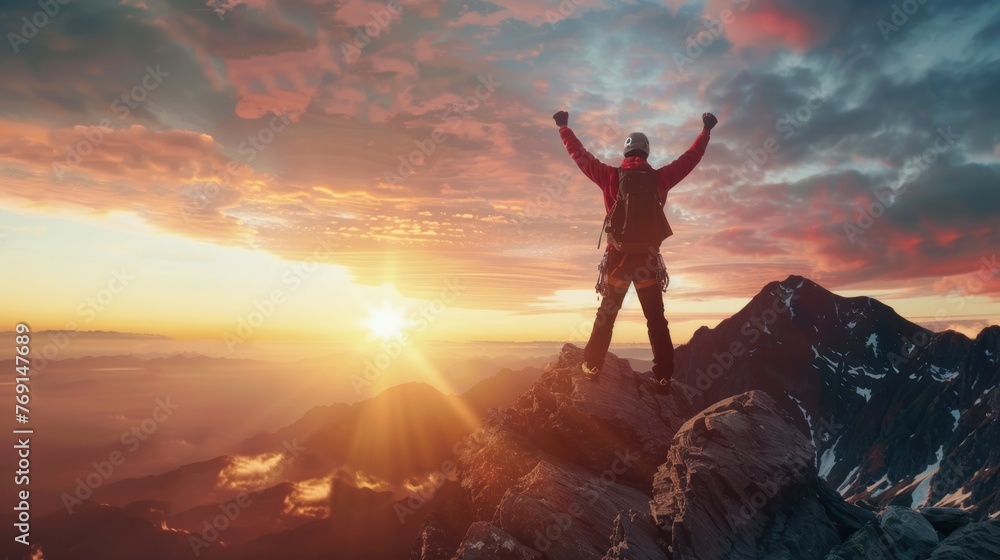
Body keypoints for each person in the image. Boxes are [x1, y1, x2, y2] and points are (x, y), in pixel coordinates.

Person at [553, 109, 717, 386]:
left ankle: (592, 366)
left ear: (626, 152)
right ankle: (664, 376)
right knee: (655, 319)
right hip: (648, 262)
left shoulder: (609, 176)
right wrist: (705, 131)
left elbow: (580, 156)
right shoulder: (661, 178)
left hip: (617, 257)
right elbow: (690, 159)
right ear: (647, 153)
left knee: (606, 314)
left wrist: (563, 128)